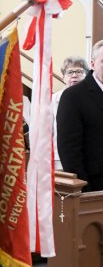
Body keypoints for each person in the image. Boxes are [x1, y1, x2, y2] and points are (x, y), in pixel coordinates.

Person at [57, 41, 103, 190]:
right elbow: (69, 151)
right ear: (93, 64)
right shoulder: (73, 96)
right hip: (95, 188)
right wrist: (85, 192)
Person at [53, 56, 88, 169]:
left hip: (89, 157)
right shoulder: (53, 99)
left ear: (87, 76)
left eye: (79, 71)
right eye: (70, 72)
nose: (74, 75)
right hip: (59, 158)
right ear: (63, 77)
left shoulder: (94, 97)